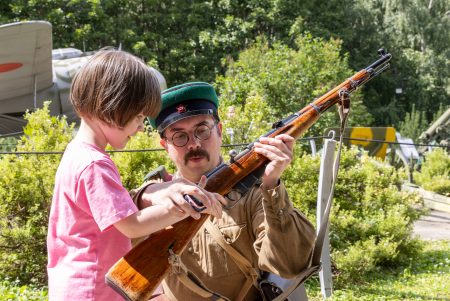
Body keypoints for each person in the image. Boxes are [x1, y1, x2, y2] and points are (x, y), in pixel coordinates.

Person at [46, 51, 223, 301]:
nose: (141, 127)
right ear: (113, 106)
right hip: (94, 290)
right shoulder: (95, 164)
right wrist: (189, 205)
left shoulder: (77, 154)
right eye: (139, 117)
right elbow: (132, 225)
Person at [132, 82, 316, 300]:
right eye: (180, 136)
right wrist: (147, 194)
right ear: (165, 145)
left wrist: (272, 183)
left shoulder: (256, 194)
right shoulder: (152, 198)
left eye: (202, 130)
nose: (193, 144)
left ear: (219, 131)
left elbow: (289, 264)